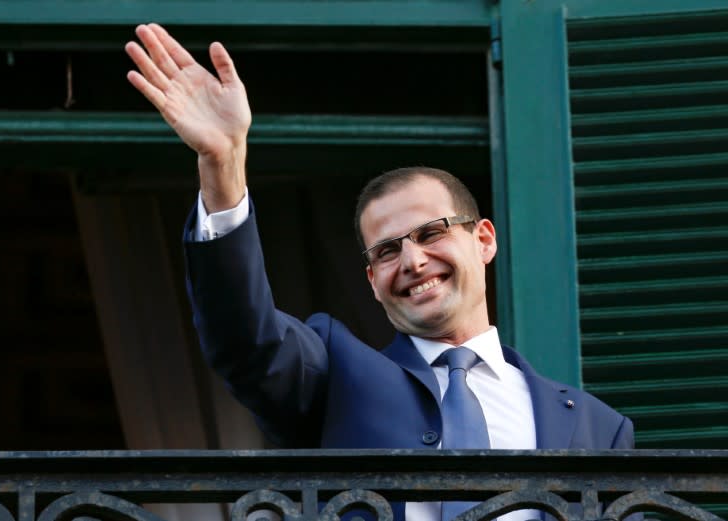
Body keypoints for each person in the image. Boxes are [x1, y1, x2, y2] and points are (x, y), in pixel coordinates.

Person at [125, 22, 634, 521]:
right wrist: (223, 165)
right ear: (372, 280)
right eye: (387, 251)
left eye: (432, 234)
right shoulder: (335, 375)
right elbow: (244, 339)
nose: (413, 261)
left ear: (483, 239)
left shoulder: (596, 426)